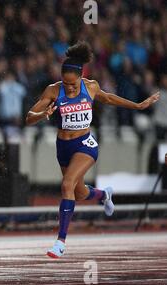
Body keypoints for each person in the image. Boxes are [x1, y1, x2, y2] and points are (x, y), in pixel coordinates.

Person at [25, 42, 160, 258]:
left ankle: (60, 242)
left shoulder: (91, 87)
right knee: (78, 192)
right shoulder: (53, 90)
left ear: (80, 77)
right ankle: (104, 194)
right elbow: (29, 117)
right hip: (63, 147)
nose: (70, 88)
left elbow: (109, 98)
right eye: (66, 84)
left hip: (85, 144)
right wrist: (43, 115)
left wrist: (137, 105)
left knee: (66, 184)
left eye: (73, 84)